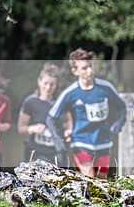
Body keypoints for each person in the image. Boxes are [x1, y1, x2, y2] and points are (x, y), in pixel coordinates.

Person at [47, 49, 126, 179]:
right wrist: (59, 140)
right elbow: (51, 118)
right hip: (80, 142)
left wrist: (118, 124)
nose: (89, 71)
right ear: (75, 71)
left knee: (102, 180)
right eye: (84, 68)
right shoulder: (70, 93)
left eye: (90, 66)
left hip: (103, 141)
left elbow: (122, 107)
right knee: (90, 178)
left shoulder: (105, 87)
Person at [18, 63, 72, 165]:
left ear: (56, 85)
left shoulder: (61, 102)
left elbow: (69, 120)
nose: (48, 87)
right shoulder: (30, 102)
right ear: (39, 82)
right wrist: (33, 128)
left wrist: (69, 130)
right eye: (45, 83)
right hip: (35, 151)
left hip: (57, 151)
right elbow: (21, 129)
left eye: (52, 84)